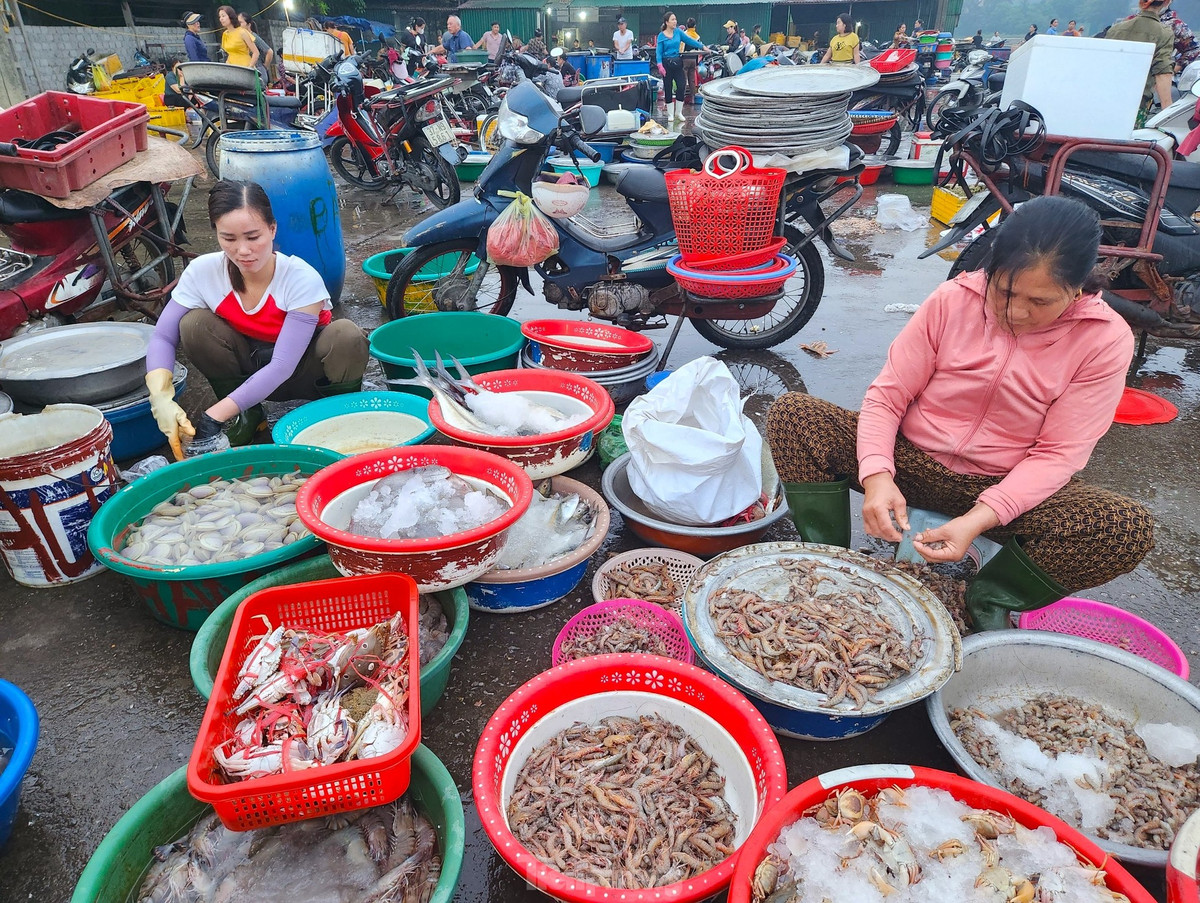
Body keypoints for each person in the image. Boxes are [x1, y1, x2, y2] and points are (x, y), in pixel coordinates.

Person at [765, 196, 1153, 631]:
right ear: (990, 269)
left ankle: (983, 602)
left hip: (1003, 485)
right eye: (1005, 292)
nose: (1018, 313)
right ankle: (824, 562)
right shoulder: (953, 300)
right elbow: (887, 397)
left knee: (1123, 527)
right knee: (794, 416)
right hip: (912, 460)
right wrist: (877, 477)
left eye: (1041, 301)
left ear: (1080, 287)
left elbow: (1058, 456)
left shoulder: (1105, 339)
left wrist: (978, 519)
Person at [146, 181, 369, 458]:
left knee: (346, 335)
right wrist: (160, 396)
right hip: (247, 369)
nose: (242, 250)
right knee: (193, 325)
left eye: (253, 237)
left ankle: (338, 413)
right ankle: (248, 416)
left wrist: (212, 417)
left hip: (303, 371)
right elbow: (163, 336)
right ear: (216, 233)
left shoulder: (299, 277)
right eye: (229, 238)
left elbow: (282, 365)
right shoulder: (203, 272)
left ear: (272, 229)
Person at [1105, 0, 1174, 122]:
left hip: (1107, 99)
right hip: (1137, 103)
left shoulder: (1116, 29)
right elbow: (1162, 72)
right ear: (1166, 3)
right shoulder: (1164, 33)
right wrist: (1168, 112)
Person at [657, 12, 705, 124]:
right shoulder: (661, 36)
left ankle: (678, 112)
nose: (675, 21)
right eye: (673, 19)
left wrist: (702, 46)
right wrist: (659, 65)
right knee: (668, 87)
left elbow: (690, 41)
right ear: (667, 22)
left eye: (675, 19)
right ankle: (670, 114)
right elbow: (658, 53)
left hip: (678, 62)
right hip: (666, 64)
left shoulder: (678, 32)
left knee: (682, 85)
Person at [238, 12, 274, 85]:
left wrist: (264, 67)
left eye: (241, 22)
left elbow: (269, 52)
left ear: (248, 25)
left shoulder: (253, 36)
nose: (238, 25)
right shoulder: (241, 38)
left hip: (258, 72)